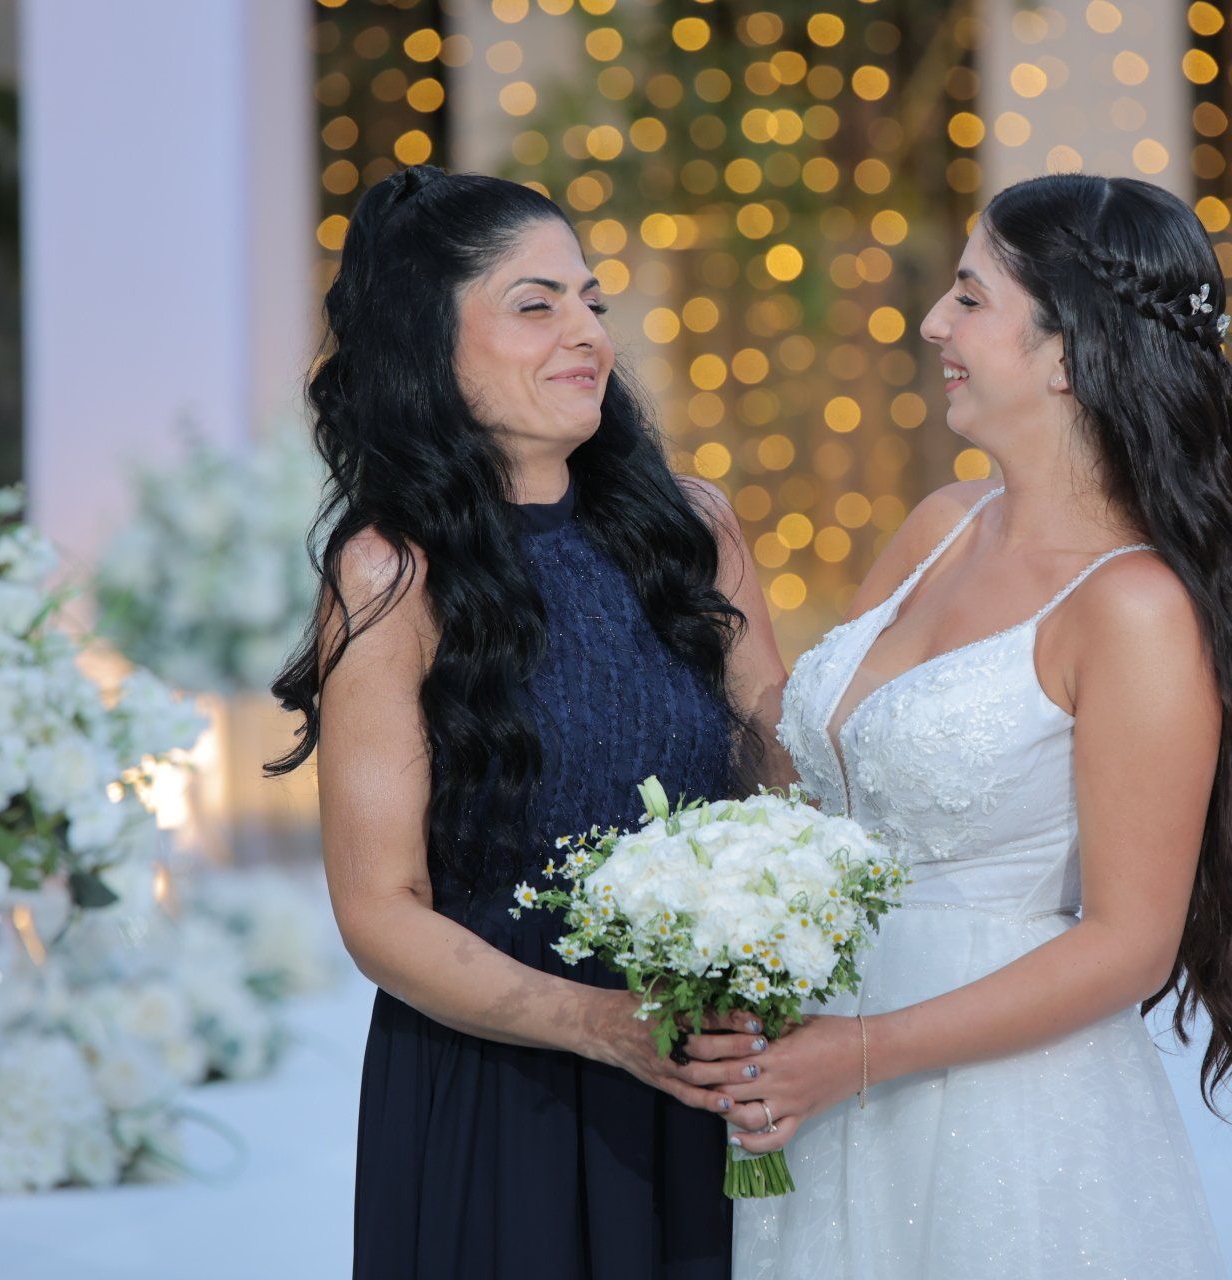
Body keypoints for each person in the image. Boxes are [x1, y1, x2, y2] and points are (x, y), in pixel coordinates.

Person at [696, 174, 1232, 1278]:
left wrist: (862, 1053)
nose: (934, 322)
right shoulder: (941, 523)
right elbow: (810, 778)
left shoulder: (1135, 608)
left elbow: (1128, 944)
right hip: (823, 1067)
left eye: (971, 298)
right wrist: (725, 568)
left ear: (1068, 352)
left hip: (1000, 1111)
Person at [267, 167, 787, 1280]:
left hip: (705, 1069)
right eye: (535, 304)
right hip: (504, 1090)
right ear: (428, 344)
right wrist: (600, 1022)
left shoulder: (693, 528)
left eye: (591, 301)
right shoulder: (393, 573)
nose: (587, 332)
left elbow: (783, 779)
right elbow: (380, 910)